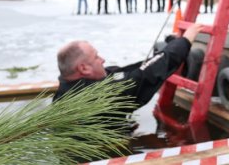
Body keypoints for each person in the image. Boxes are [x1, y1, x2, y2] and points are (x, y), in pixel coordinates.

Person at [53, 23, 205, 124]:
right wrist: (184, 41)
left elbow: (119, 73)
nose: (103, 60)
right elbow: (145, 75)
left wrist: (172, 45)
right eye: (96, 57)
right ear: (84, 69)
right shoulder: (99, 95)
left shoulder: (66, 90)